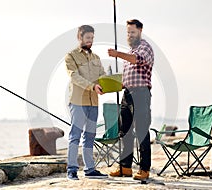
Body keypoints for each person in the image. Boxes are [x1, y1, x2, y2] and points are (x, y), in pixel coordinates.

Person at [108, 19, 154, 180]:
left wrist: (117, 54)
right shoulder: (130, 50)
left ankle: (144, 169)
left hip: (141, 94)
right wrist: (114, 84)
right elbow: (128, 78)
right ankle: (125, 167)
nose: (130, 35)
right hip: (127, 94)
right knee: (124, 131)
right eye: (128, 32)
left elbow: (137, 60)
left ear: (140, 31)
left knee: (141, 131)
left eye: (132, 32)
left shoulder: (145, 47)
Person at [65, 25, 108, 180]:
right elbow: (74, 76)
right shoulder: (71, 56)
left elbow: (102, 76)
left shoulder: (96, 58)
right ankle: (72, 169)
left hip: (93, 103)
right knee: (75, 135)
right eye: (87, 38)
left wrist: (112, 83)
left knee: (90, 135)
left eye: (92, 38)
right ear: (80, 38)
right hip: (77, 101)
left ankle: (90, 169)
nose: (90, 41)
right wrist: (92, 86)